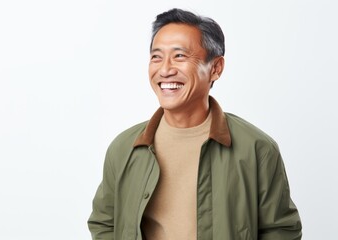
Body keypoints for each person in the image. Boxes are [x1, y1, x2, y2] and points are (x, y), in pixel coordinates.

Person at [87, 8, 302, 240]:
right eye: (156, 56)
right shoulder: (124, 148)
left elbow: (281, 231)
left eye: (179, 56)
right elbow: (104, 223)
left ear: (216, 68)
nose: (165, 69)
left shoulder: (256, 148)